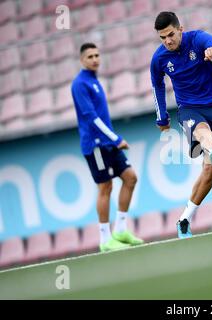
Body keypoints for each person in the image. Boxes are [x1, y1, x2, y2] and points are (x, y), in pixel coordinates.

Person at [150, 12, 212, 239]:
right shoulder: (159, 60)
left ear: (180, 29)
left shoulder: (197, 39)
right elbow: (157, 86)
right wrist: (162, 117)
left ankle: (185, 218)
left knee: (210, 170)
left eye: (170, 34)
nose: (168, 41)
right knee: (203, 133)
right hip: (189, 108)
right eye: (162, 37)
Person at [71, 43, 143, 252]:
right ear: (82, 60)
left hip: (108, 143)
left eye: (97, 55)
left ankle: (120, 229)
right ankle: (105, 239)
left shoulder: (94, 81)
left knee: (130, 178)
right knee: (105, 187)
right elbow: (90, 117)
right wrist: (116, 138)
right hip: (96, 145)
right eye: (90, 56)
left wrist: (112, 139)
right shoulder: (80, 84)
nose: (95, 59)